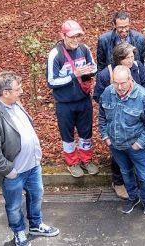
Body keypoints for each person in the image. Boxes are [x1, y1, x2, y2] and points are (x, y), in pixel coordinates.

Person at [0, 71, 60, 246]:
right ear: (5, 93)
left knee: (37, 195)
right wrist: (9, 171)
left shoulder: (14, 102)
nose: (22, 91)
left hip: (32, 166)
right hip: (15, 172)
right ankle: (18, 232)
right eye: (18, 89)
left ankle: (36, 225)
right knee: (14, 206)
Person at [93, 42, 145, 199]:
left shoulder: (137, 66)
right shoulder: (106, 74)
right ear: (119, 59)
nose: (132, 60)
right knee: (118, 159)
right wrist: (116, 104)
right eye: (128, 58)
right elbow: (98, 96)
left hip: (137, 120)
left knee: (139, 159)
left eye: (133, 57)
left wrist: (141, 98)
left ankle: (141, 189)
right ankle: (118, 182)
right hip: (117, 126)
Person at [98, 66, 145, 216]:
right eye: (116, 83)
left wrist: (139, 143)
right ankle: (133, 198)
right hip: (116, 145)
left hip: (136, 146)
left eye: (123, 83)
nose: (119, 87)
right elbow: (102, 117)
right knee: (125, 173)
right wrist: (106, 137)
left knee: (144, 176)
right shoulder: (107, 93)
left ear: (130, 80)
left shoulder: (143, 97)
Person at [47, 19, 98, 178]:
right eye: (72, 36)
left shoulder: (84, 49)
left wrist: (88, 71)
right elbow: (51, 81)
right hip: (64, 103)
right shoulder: (56, 54)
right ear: (62, 35)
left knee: (86, 132)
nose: (76, 40)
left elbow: (94, 67)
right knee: (67, 134)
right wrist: (74, 75)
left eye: (78, 36)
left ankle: (86, 159)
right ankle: (72, 162)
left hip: (83, 99)